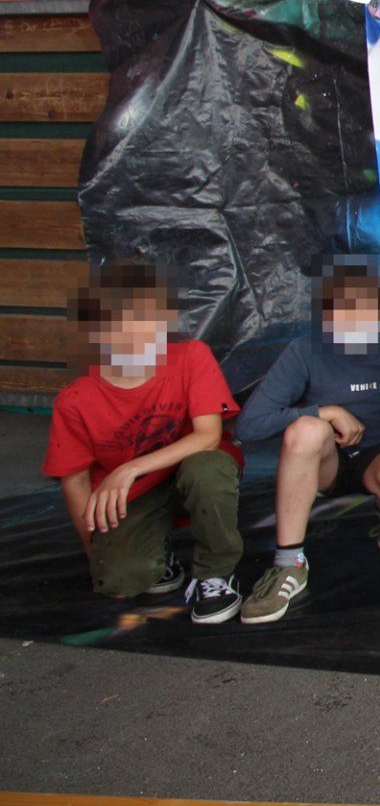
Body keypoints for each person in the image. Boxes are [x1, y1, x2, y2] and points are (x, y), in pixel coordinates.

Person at [42, 262, 244, 623]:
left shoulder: (191, 356)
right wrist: (99, 554)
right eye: (124, 322)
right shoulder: (74, 400)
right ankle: (159, 556)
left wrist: (130, 468)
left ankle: (215, 573)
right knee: (120, 580)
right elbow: (74, 482)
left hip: (192, 471)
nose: (141, 331)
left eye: (149, 318)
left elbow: (209, 436)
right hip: (135, 497)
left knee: (208, 467)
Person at [232, 261, 380, 624]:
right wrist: (325, 411)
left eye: (367, 305)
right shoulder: (306, 351)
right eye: (344, 306)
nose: (356, 316)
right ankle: (289, 564)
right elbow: (249, 425)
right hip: (325, 464)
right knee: (307, 429)